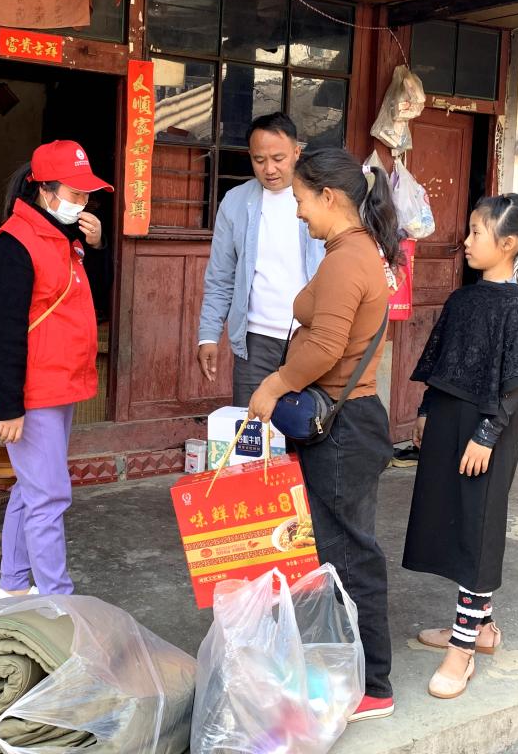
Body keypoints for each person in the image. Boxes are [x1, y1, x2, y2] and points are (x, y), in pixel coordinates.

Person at [247, 148, 400, 722]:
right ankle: (345, 667)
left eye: (302, 199)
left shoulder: (347, 258)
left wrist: (273, 385)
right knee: (335, 551)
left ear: (329, 197)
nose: (298, 211)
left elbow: (327, 347)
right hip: (346, 421)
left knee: (350, 556)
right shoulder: (354, 252)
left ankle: (374, 685)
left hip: (342, 426)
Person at [403, 193, 518, 699]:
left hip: (487, 430)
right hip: (448, 422)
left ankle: (462, 649)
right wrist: (426, 411)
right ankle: (481, 629)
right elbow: (441, 362)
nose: (465, 241)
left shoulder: (517, 307)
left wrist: (486, 435)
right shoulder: (462, 300)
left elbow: (516, 383)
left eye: (476, 233)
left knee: (479, 530)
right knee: (453, 523)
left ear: (507, 244)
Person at [0, 139, 113, 599]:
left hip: (60, 383)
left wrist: (96, 245)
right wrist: (9, 406)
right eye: (74, 193)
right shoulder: (14, 245)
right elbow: (1, 332)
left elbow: (93, 299)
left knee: (32, 490)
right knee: (49, 496)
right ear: (44, 190)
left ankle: (13, 585)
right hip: (33, 391)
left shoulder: (64, 239)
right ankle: (58, 600)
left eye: (87, 194)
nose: (82, 202)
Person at [198, 113, 326, 406]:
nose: (269, 169)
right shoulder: (235, 202)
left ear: (297, 151)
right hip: (255, 343)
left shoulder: (323, 199)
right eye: (259, 160)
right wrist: (208, 335)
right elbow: (220, 277)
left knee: (310, 426)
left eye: (278, 158)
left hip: (313, 339)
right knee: (252, 428)